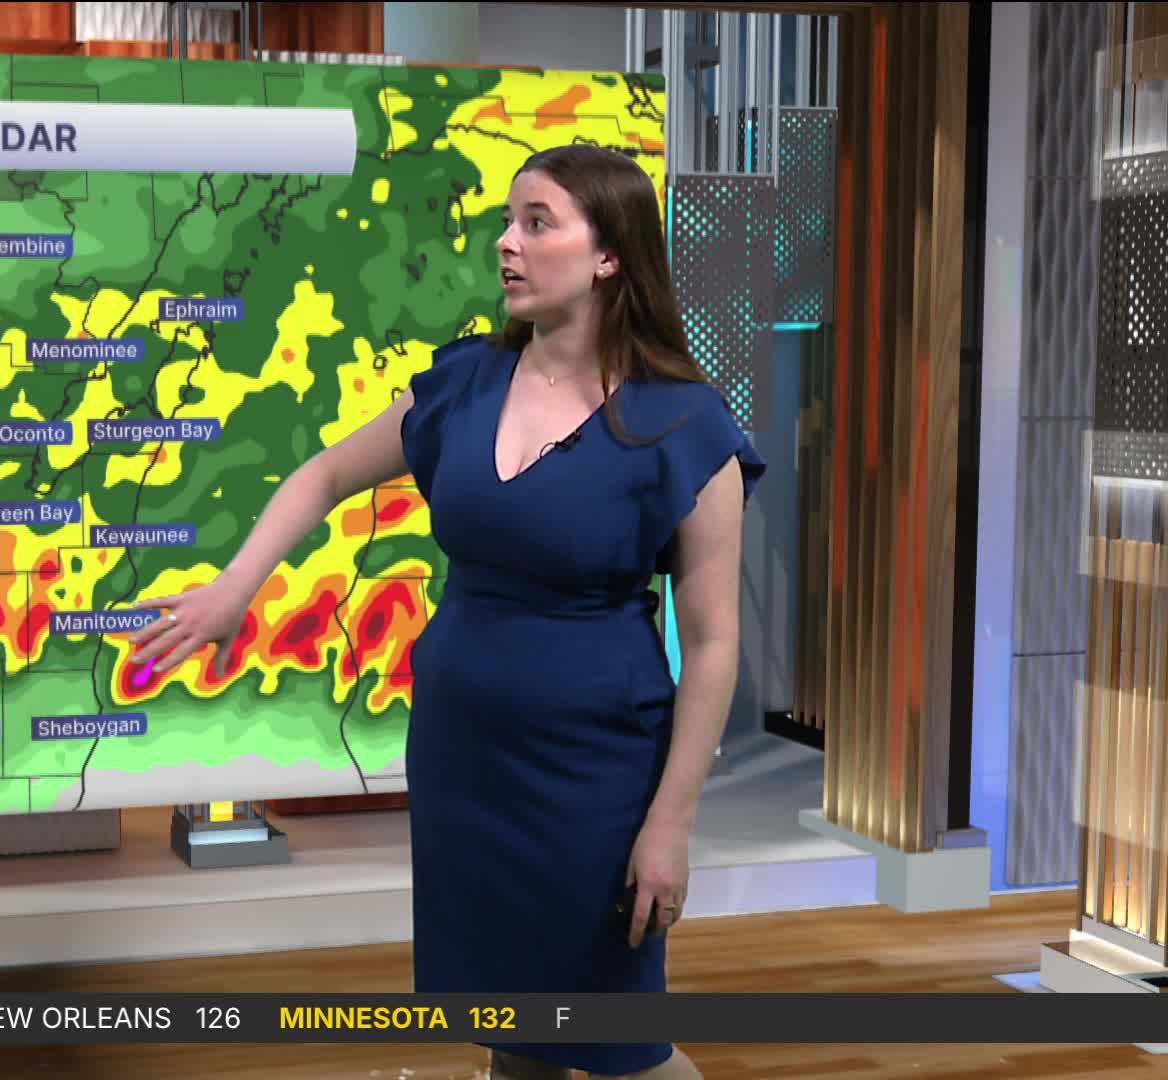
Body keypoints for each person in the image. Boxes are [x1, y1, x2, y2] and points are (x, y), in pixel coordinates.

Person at [128, 143, 764, 1079]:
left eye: (537, 223)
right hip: (467, 762)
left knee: (622, 1044)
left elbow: (710, 643)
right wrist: (236, 588)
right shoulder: (465, 384)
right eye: (508, 221)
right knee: (513, 1028)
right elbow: (326, 473)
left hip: (595, 774)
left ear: (609, 255)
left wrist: (671, 822)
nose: (507, 242)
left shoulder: (684, 425)